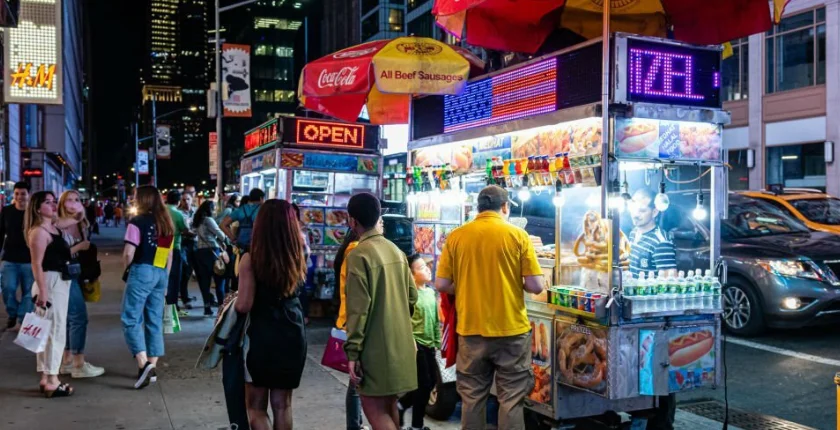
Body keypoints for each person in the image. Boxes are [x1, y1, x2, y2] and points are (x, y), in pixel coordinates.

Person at [435, 185, 544, 430]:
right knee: (511, 399)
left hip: (471, 332)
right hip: (511, 332)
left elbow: (441, 283)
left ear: (478, 208)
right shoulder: (518, 236)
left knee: (472, 398)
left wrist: (465, 285)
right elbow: (536, 286)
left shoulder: (457, 236)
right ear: (504, 207)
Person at [344, 193, 417, 430]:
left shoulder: (359, 254)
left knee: (375, 411)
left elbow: (358, 310)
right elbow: (412, 297)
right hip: (401, 346)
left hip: (374, 349)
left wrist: (353, 353)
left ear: (352, 221)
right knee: (389, 408)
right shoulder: (396, 251)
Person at [235, 199, 307, 430]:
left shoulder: (250, 259)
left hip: (262, 336)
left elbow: (244, 305)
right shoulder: (297, 254)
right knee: (283, 406)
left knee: (255, 407)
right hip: (293, 333)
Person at [627, 187, 677, 430]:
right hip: (636, 319)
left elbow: (669, 285)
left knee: (659, 382)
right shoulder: (632, 234)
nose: (635, 213)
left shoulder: (661, 242)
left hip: (655, 323)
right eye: (633, 206)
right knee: (642, 381)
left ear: (655, 211)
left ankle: (662, 425)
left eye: (642, 208)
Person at [121, 185, 174, 390]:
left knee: (131, 318)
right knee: (154, 320)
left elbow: (128, 253)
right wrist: (165, 280)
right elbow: (167, 255)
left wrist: (127, 271)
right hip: (160, 272)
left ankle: (143, 364)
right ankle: (152, 368)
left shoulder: (137, 222)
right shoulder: (165, 222)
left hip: (141, 270)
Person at [26, 191, 78, 397]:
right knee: (54, 332)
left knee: (47, 332)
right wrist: (44, 291)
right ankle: (52, 380)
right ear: (38, 208)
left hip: (58, 282)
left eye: (53, 201)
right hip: (49, 282)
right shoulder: (39, 232)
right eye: (47, 202)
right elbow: (36, 263)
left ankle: (46, 378)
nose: (53, 204)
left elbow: (75, 220)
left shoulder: (53, 227)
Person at [57, 190, 105, 379]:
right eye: (69, 200)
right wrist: (79, 247)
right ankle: (78, 363)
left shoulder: (82, 224)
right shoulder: (58, 223)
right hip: (63, 275)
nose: (73, 203)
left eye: (77, 200)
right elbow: (57, 255)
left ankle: (67, 360)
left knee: (71, 318)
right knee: (78, 318)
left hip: (76, 273)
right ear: (62, 203)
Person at [398, 254, 441, 430]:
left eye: (427, 266)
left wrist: (437, 341)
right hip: (417, 345)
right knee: (424, 385)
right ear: (411, 273)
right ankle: (417, 426)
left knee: (430, 383)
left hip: (430, 345)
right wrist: (411, 343)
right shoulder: (409, 295)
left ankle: (401, 405)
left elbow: (435, 320)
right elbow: (404, 321)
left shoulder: (431, 292)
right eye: (422, 267)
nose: (428, 269)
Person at [334, 228, 364, 430]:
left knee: (356, 378)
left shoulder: (350, 250)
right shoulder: (355, 250)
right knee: (356, 379)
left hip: (348, 320)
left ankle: (357, 424)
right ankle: (354, 425)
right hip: (352, 322)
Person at [0, 181, 35, 330]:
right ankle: (12, 313)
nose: (20, 197)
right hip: (9, 258)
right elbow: (0, 233)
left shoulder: (34, 212)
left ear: (29, 195)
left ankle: (22, 317)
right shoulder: (7, 211)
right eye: (17, 194)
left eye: (23, 194)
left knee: (29, 292)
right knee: (7, 288)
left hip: (30, 259)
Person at [194, 200, 229, 316]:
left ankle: (207, 307)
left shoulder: (197, 220)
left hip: (200, 252)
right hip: (212, 252)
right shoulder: (209, 220)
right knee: (219, 279)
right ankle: (221, 306)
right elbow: (221, 234)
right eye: (213, 208)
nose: (214, 211)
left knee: (204, 281)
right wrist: (224, 239)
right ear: (210, 209)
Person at [165, 190, 190, 315]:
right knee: (174, 279)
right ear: (178, 201)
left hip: (160, 249)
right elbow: (185, 230)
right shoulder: (177, 213)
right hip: (174, 248)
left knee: (163, 277)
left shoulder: (161, 211)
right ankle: (172, 308)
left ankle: (162, 305)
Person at [179, 193, 198, 309]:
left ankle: (208, 299)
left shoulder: (196, 211)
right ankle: (184, 297)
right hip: (183, 243)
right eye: (184, 199)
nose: (186, 202)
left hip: (195, 243)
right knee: (185, 271)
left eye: (188, 199)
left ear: (192, 200)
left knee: (193, 270)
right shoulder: (179, 213)